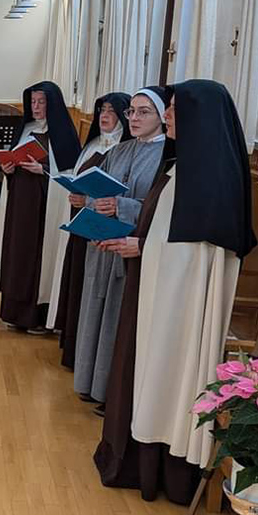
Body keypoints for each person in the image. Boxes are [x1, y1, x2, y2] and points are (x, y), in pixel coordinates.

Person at [94, 80, 256, 504]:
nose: (166, 117)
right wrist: (140, 247)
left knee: (170, 379)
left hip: (179, 307)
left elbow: (193, 257)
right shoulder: (184, 167)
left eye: (171, 110)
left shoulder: (211, 177)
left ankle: (167, 473)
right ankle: (143, 462)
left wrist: (141, 248)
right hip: (158, 293)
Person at [73, 88, 166, 411]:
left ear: (162, 117)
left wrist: (122, 206)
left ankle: (110, 392)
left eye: (144, 112)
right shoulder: (120, 150)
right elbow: (98, 193)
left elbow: (161, 209)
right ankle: (88, 382)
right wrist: (85, 200)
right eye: (132, 112)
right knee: (94, 313)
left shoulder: (167, 156)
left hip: (132, 251)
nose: (135, 119)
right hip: (102, 245)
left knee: (117, 319)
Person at [47, 92, 131, 367]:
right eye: (101, 110)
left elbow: (119, 195)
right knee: (76, 281)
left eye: (111, 111)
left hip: (103, 231)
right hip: (81, 224)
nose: (104, 116)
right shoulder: (93, 143)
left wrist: (89, 201)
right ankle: (73, 347)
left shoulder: (125, 148)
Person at [0, 81, 81, 333]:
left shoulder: (62, 134)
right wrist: (6, 168)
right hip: (20, 204)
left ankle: (37, 316)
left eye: (42, 102)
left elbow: (69, 173)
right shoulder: (26, 129)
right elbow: (13, 160)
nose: (36, 107)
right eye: (33, 102)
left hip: (44, 207)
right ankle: (14, 312)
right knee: (18, 253)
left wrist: (43, 170)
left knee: (38, 257)